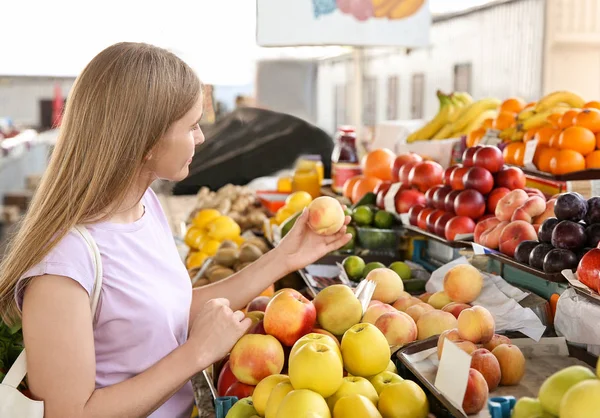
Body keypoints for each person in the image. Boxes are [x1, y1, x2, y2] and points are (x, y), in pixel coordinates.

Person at [0, 42, 351, 418]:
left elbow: (170, 311)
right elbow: (69, 414)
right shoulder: (63, 263)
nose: (200, 137)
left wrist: (285, 257)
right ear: (147, 142)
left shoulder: (144, 207)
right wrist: (197, 352)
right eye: (191, 125)